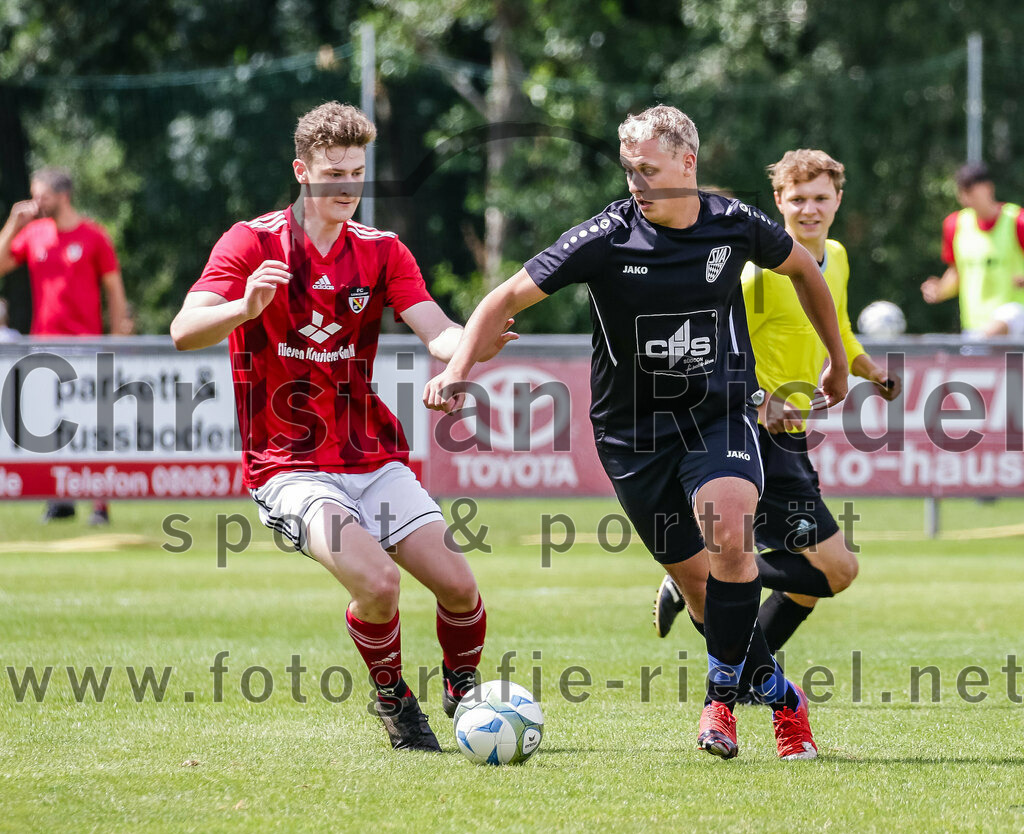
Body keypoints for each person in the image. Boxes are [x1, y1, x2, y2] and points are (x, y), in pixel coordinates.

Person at [424, 105, 849, 760]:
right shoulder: (605, 237)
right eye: (629, 171)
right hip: (631, 437)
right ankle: (783, 695)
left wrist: (840, 362)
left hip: (719, 413)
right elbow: (502, 299)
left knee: (730, 531)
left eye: (647, 169)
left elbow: (803, 269)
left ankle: (720, 700)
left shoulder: (733, 224)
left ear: (688, 163)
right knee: (703, 586)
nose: (636, 183)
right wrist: (457, 369)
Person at [170, 101, 514, 752]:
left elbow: (438, 332)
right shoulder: (252, 243)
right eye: (332, 174)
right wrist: (244, 307)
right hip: (289, 466)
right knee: (378, 582)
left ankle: (463, 688)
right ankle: (392, 697)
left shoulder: (381, 252)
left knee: (460, 588)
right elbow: (184, 330)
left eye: (356, 173)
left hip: (371, 455)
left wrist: (472, 347)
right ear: (301, 171)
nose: (346, 188)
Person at [653, 150, 902, 684]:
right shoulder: (759, 275)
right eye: (798, 199)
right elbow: (714, 344)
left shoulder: (834, 255)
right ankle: (697, 573)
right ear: (778, 203)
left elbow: (834, 324)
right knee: (836, 571)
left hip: (792, 436)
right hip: (753, 434)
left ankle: (740, 679)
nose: (809, 209)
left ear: (838, 199)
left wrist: (863, 368)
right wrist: (761, 399)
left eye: (819, 198)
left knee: (806, 587)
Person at [0, 166, 130, 525]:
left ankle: (99, 504)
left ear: (63, 195)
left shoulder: (94, 236)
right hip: (45, 346)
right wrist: (13, 223)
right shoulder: (34, 234)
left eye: (41, 194)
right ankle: (60, 499)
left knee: (93, 427)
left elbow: (114, 292)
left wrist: (117, 339)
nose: (35, 201)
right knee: (50, 427)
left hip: (88, 346)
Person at [921, 162, 1024, 337]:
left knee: (1002, 320)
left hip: (1016, 319)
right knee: (978, 345)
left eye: (971, 192)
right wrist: (940, 290)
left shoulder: (1017, 221)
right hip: (974, 328)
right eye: (962, 193)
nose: (965, 199)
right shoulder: (955, 225)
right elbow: (957, 272)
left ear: (988, 188)